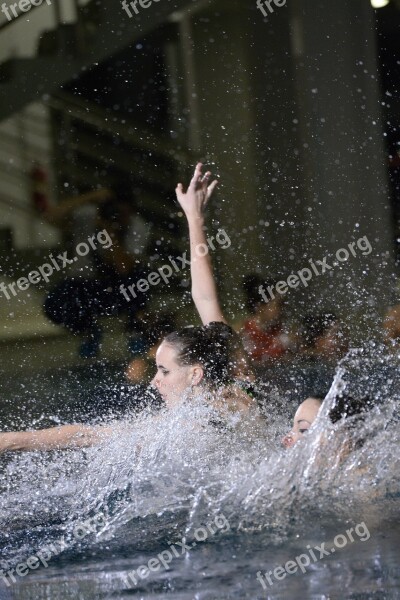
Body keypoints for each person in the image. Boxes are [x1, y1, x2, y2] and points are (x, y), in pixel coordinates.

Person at [0, 321, 254, 454]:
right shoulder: (242, 385)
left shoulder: (199, 427)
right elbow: (206, 299)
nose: (155, 381)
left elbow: (88, 436)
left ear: (195, 374)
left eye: (164, 371)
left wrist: (11, 442)